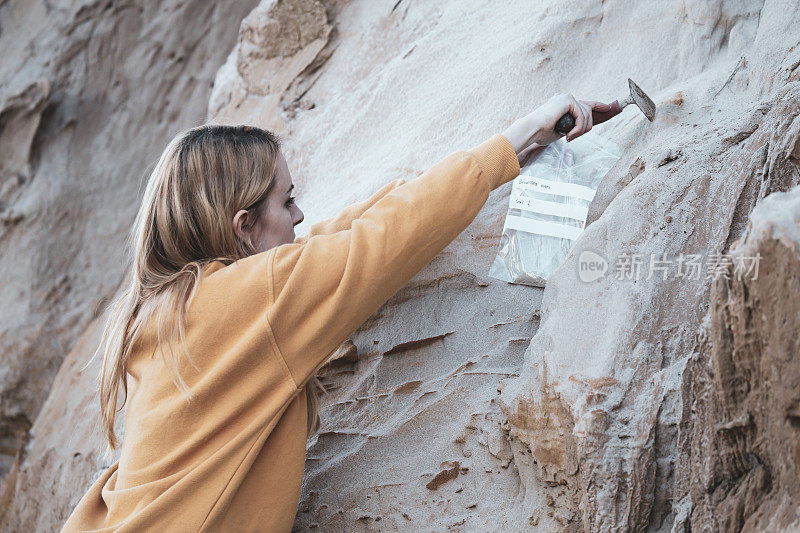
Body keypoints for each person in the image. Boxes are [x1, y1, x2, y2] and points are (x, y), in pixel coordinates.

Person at [61, 93, 606, 532]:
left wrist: (523, 148)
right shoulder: (252, 298)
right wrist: (521, 133)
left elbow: (337, 234)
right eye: (287, 201)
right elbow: (383, 241)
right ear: (243, 227)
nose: (299, 215)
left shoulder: (176, 303)